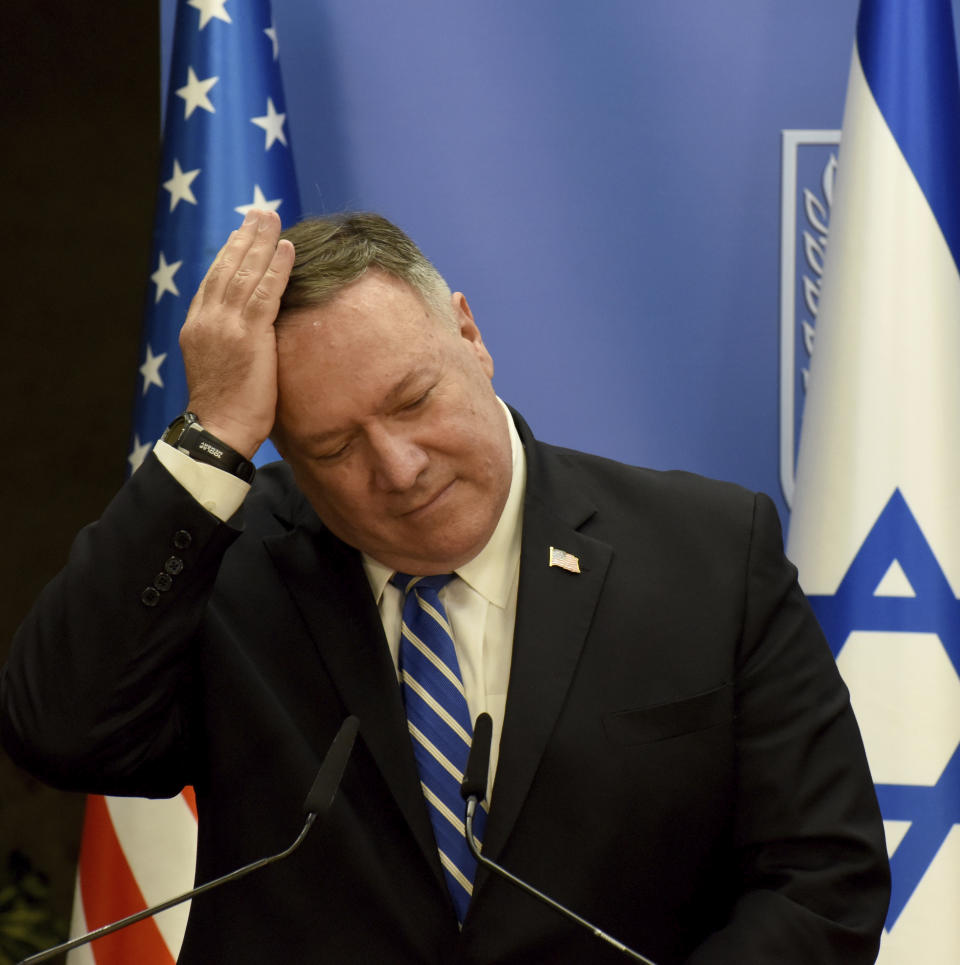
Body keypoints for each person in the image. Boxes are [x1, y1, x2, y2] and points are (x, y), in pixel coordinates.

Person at [1, 210, 889, 964]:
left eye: (414, 399)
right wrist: (212, 436)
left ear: (469, 334)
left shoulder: (708, 552)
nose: (399, 467)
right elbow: (60, 729)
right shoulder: (229, 568)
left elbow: (821, 880)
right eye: (335, 448)